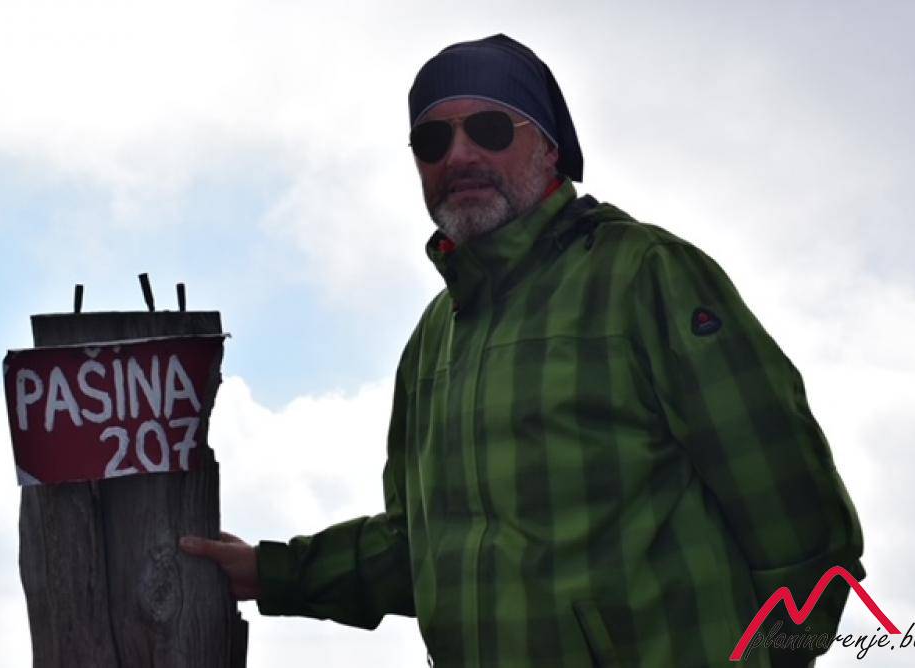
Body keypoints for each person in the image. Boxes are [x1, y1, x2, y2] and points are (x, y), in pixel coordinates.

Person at [180, 34, 864, 667]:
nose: (458, 155)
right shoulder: (431, 342)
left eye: (489, 128)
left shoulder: (646, 276)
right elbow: (421, 551)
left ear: (550, 148)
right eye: (432, 139)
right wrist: (272, 572)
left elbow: (799, 526)